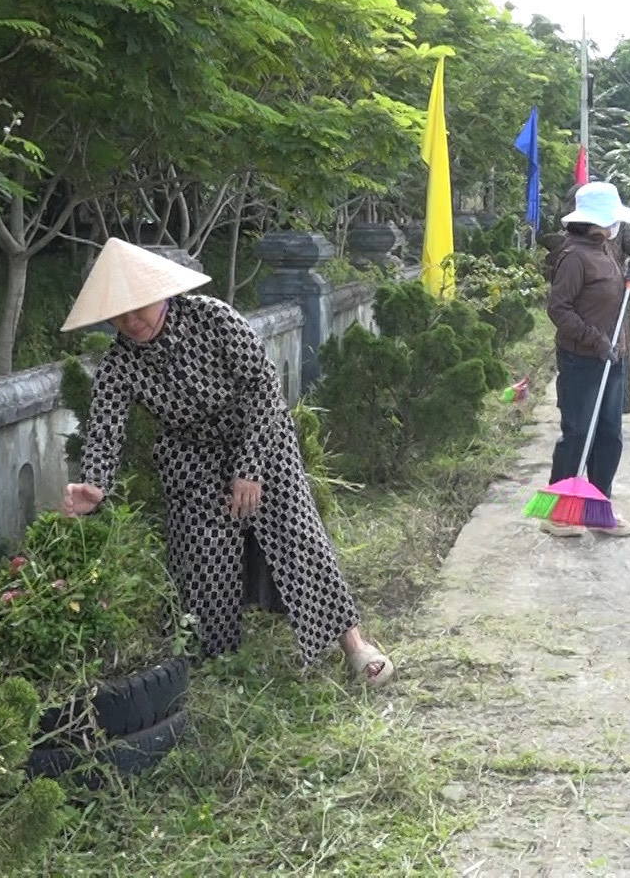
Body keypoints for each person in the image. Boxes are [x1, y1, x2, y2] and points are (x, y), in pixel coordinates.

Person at [59, 239, 392, 685]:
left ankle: (353, 643)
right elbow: (105, 428)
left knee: (297, 534)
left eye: (139, 307)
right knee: (204, 553)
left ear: (163, 293)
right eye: (118, 314)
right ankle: (215, 663)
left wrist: (249, 469)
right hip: (191, 458)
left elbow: (263, 387)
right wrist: (94, 485)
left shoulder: (212, 317)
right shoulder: (119, 363)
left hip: (258, 435)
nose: (130, 321)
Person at [545, 182, 630, 537]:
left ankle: (599, 509)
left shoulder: (604, 249)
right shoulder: (573, 256)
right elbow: (558, 308)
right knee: (577, 434)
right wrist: (595, 340)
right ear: (594, 221)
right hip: (583, 361)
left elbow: (611, 295)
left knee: (609, 436)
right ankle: (557, 512)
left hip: (612, 358)